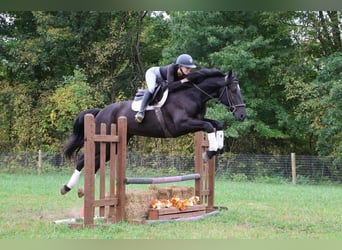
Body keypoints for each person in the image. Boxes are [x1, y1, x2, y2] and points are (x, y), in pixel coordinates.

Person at [135, 54, 197, 123]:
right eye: (187, 68)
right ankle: (141, 112)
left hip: (163, 81)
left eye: (190, 68)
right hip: (153, 73)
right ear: (180, 66)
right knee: (152, 88)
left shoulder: (184, 74)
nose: (189, 70)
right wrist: (183, 81)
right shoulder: (172, 68)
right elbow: (170, 87)